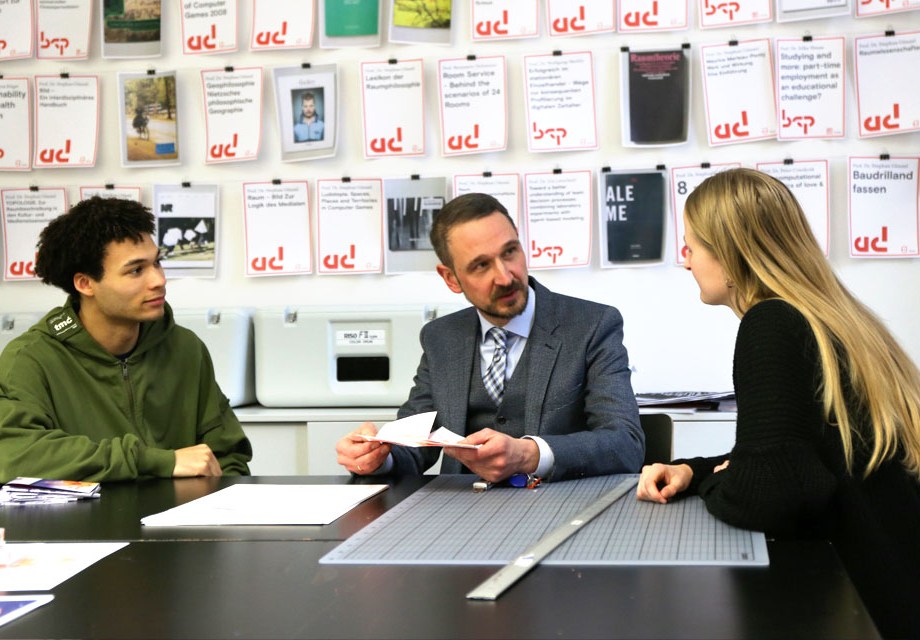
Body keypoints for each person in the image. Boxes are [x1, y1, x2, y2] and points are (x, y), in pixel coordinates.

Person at [636, 168, 920, 639]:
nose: (686, 263)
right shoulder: (835, 318)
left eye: (691, 247)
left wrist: (714, 485)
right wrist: (698, 470)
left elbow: (772, 490)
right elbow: (800, 456)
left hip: (872, 605)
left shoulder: (769, 324)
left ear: (729, 252)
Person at [336, 193, 644, 482]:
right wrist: (379, 457)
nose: (505, 277)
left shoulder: (593, 325)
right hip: (459, 514)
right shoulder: (440, 338)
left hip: (561, 508)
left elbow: (625, 443)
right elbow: (414, 441)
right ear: (451, 278)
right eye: (481, 265)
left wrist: (531, 454)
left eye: (510, 252)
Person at [0, 196, 252, 483]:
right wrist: (157, 461)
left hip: (177, 523)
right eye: (136, 270)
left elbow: (228, 456)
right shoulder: (30, 359)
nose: (158, 280)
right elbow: (15, 455)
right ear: (85, 284)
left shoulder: (185, 348)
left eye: (157, 263)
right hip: (84, 525)